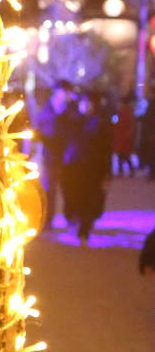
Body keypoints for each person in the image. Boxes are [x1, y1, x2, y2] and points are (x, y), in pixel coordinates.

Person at [60, 91, 112, 244]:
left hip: (92, 168)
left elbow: (106, 149)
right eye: (84, 103)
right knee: (72, 196)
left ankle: (84, 228)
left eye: (89, 103)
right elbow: (62, 142)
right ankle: (74, 220)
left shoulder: (100, 123)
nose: (86, 106)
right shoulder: (71, 120)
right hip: (72, 166)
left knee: (89, 199)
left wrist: (107, 171)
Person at [32, 79, 75, 228]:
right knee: (48, 190)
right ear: (57, 92)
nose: (69, 95)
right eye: (66, 91)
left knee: (69, 188)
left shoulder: (71, 112)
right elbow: (36, 133)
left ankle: (70, 218)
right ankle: (47, 220)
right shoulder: (45, 111)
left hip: (68, 157)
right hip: (49, 157)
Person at [111, 93, 136, 176]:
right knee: (123, 154)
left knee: (124, 154)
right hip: (122, 135)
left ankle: (123, 170)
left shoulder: (124, 111)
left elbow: (116, 122)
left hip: (122, 135)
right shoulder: (126, 111)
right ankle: (123, 170)